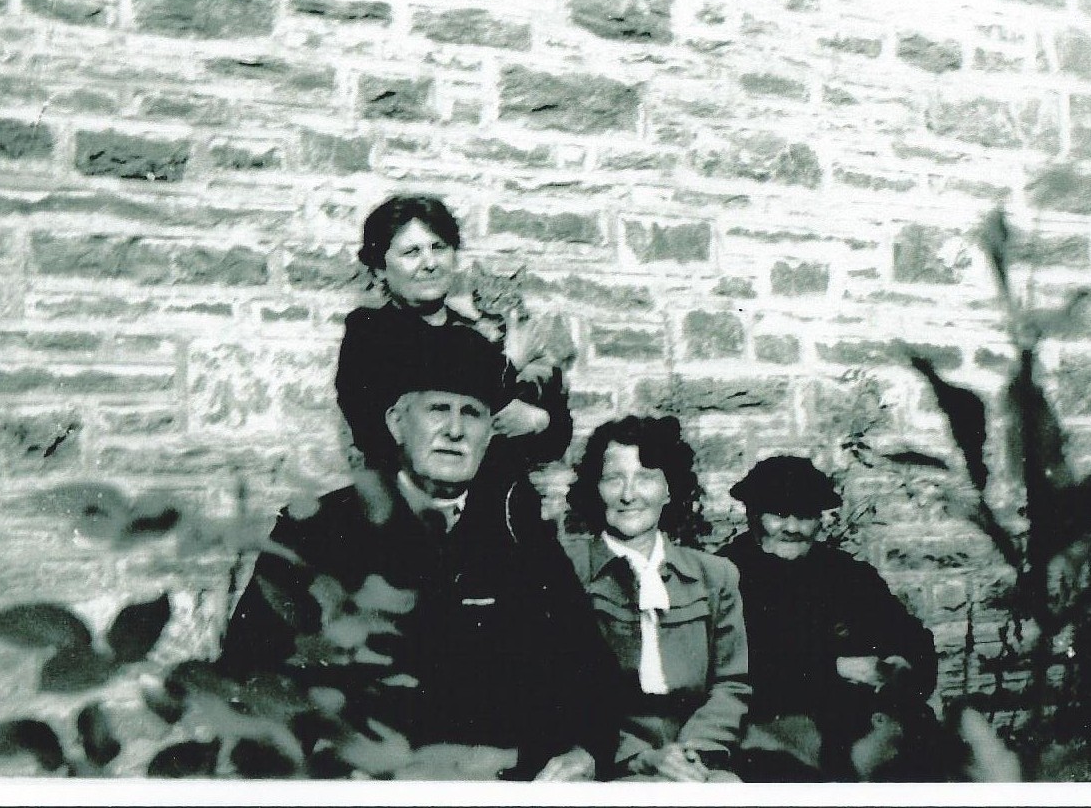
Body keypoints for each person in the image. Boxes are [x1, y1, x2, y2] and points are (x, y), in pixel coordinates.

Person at [220, 329, 617, 780]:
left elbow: (589, 670)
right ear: (397, 423)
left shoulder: (518, 534)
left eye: (472, 414)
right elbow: (251, 674)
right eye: (437, 410)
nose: (454, 430)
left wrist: (586, 752)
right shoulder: (318, 530)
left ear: (489, 434)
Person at [721, 455, 939, 781]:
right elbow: (734, 673)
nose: (793, 528)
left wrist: (900, 664)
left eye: (806, 516)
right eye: (779, 515)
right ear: (753, 514)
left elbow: (912, 639)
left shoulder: (847, 573)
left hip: (862, 726)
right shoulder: (723, 577)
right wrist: (834, 668)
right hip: (772, 734)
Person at [560, 416, 750, 782]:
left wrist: (692, 752)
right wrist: (639, 757)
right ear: (594, 488)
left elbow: (732, 683)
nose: (628, 494)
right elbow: (559, 693)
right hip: (608, 761)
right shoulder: (565, 571)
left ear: (670, 488)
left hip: (698, 758)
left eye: (646, 477)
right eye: (613, 478)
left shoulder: (716, 575)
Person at [335, 194, 572, 482]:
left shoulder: (476, 333)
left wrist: (539, 421)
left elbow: (556, 437)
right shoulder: (369, 332)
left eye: (439, 247)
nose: (430, 263)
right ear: (379, 269)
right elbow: (381, 437)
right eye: (411, 252)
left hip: (497, 511)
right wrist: (511, 363)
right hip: (411, 511)